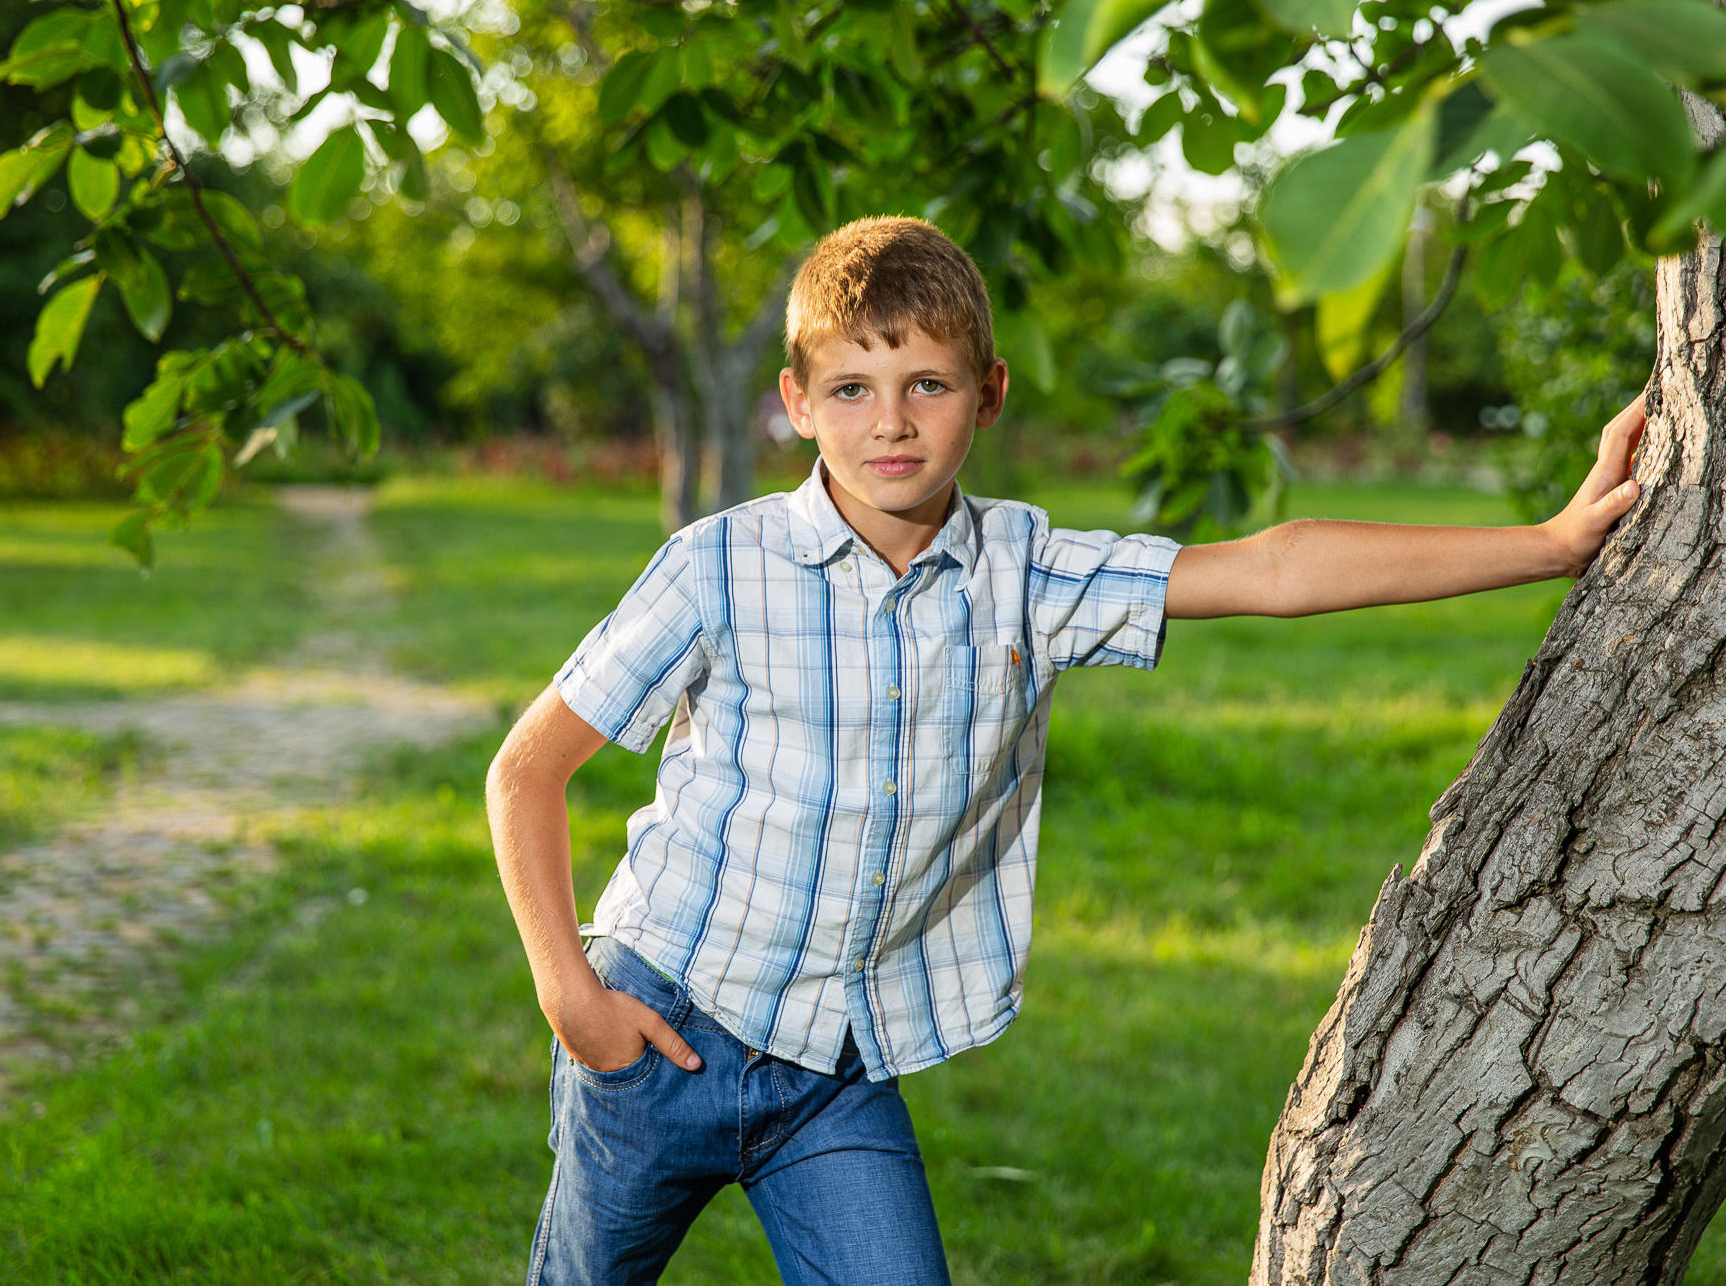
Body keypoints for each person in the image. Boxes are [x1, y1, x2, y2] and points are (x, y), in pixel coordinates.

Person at [485, 217, 1646, 1285]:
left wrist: (1545, 543)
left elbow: (1271, 567)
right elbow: (527, 770)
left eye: (925, 383)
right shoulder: (717, 566)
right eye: (850, 388)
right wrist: (568, 993)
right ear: (795, 400)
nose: (888, 421)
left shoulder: (1027, 573)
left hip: (832, 1075)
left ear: (985, 394)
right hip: (656, 1030)